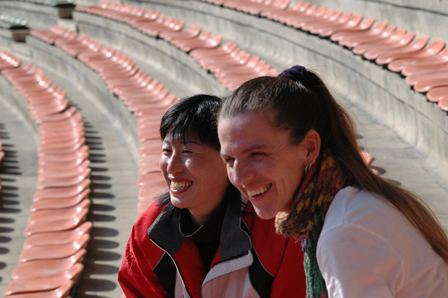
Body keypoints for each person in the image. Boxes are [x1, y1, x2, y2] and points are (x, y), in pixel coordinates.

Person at [217, 66, 448, 298]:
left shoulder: (345, 232)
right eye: (229, 160)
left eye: (257, 155)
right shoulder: (350, 204)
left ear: (309, 148)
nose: (239, 176)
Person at [118, 94, 306, 298]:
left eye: (188, 152)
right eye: (167, 151)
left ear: (228, 159)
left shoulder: (279, 228)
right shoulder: (148, 232)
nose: (172, 166)